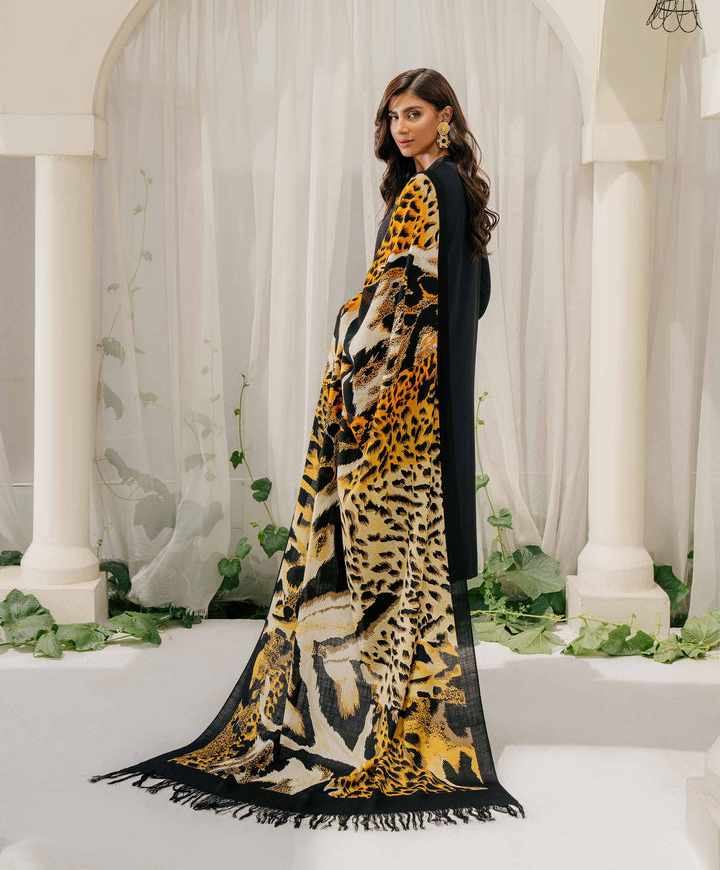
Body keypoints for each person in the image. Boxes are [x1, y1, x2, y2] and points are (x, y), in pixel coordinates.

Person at [89, 68, 526, 831]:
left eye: (414, 114)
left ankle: (357, 720)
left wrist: (346, 346)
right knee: (411, 564)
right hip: (433, 409)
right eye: (392, 116)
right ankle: (404, 711)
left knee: (368, 562)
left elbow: (388, 301)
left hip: (389, 410)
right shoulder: (461, 191)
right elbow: (473, 298)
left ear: (446, 116)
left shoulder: (423, 193)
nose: (400, 128)